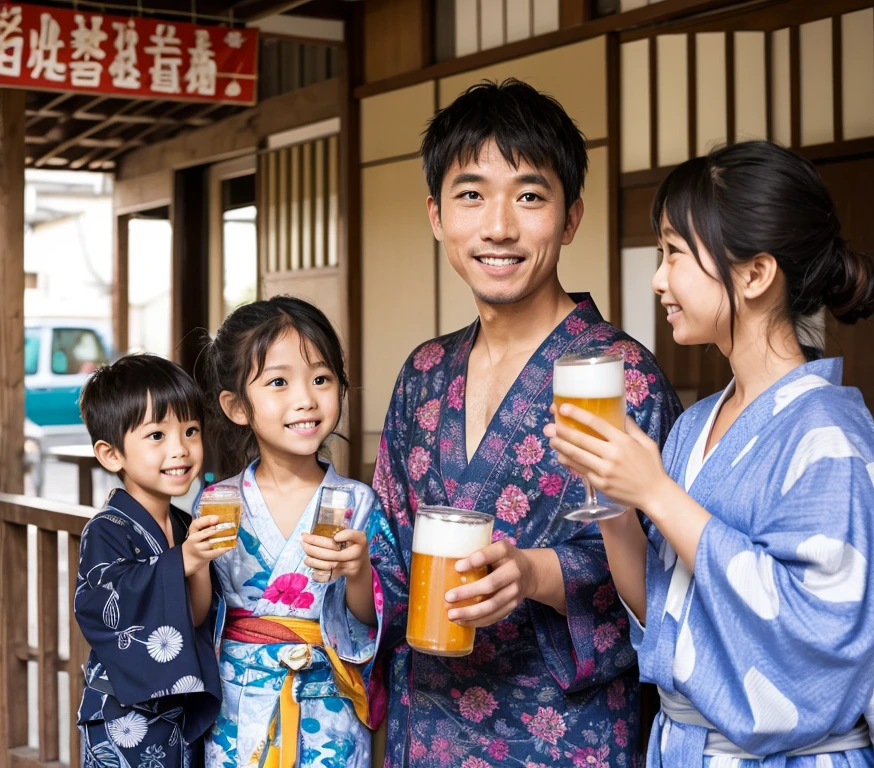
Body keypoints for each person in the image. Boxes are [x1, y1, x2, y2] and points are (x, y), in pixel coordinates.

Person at [545, 140, 874, 767]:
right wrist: (615, 502)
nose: (658, 278)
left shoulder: (828, 437)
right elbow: (663, 608)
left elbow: (820, 642)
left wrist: (658, 495)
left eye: (674, 252)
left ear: (755, 273)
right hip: (686, 747)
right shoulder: (695, 426)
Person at [364, 79, 683, 767]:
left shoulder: (621, 377)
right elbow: (385, 547)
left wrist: (536, 573)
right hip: (428, 733)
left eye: (530, 196)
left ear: (570, 219)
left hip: (567, 738)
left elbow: (670, 576)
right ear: (436, 215)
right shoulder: (422, 373)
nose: (498, 226)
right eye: (471, 194)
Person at [196, 296, 386, 768]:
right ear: (237, 406)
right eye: (279, 382)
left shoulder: (357, 501)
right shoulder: (218, 501)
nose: (305, 398)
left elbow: (365, 617)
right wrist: (191, 560)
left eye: (321, 379)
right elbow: (200, 612)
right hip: (239, 701)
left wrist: (358, 571)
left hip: (328, 702)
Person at [75, 353, 224, 768]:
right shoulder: (107, 528)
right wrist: (183, 561)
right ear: (111, 454)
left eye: (191, 430)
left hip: (175, 710)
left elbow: (193, 616)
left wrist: (195, 560)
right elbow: (100, 606)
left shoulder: (182, 520)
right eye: (157, 435)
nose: (180, 449)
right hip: (124, 716)